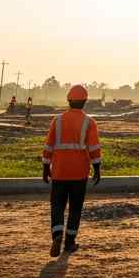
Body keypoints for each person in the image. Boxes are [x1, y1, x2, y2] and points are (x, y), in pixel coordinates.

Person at [42, 84, 101, 256]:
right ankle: (69, 242)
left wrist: (46, 167)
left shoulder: (57, 120)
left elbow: (48, 145)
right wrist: (97, 169)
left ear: (68, 100)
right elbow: (94, 148)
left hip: (59, 171)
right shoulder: (90, 122)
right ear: (85, 101)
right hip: (79, 173)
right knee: (75, 208)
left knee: (57, 206)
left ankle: (57, 235)